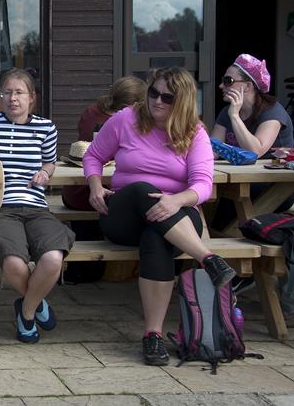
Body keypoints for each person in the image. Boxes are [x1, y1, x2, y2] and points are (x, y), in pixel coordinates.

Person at [83, 67, 237, 366]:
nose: (157, 101)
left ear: (182, 101)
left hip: (176, 213)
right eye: (153, 93)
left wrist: (175, 200)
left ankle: (152, 336)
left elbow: (203, 185)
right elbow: (94, 156)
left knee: (156, 237)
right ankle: (208, 259)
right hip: (125, 213)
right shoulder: (126, 118)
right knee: (143, 190)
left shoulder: (195, 132)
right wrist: (94, 186)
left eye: (168, 97)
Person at [0, 68, 75, 343]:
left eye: (19, 93)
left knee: (53, 258)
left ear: (31, 98)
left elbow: (49, 161)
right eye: (6, 92)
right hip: (0, 208)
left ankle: (26, 310)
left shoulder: (46, 128)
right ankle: (37, 302)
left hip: (36, 206)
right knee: (14, 263)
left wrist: (46, 172)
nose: (12, 98)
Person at [211, 53, 294, 231]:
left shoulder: (272, 112)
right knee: (209, 200)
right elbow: (212, 150)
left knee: (226, 206)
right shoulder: (226, 112)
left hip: (275, 187)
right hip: (237, 182)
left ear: (248, 86)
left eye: (228, 81)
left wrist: (235, 116)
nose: (221, 86)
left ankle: (219, 248)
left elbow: (255, 151)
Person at [61, 76, 147, 211]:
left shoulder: (91, 111)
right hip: (101, 195)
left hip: (72, 194)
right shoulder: (124, 121)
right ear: (136, 104)